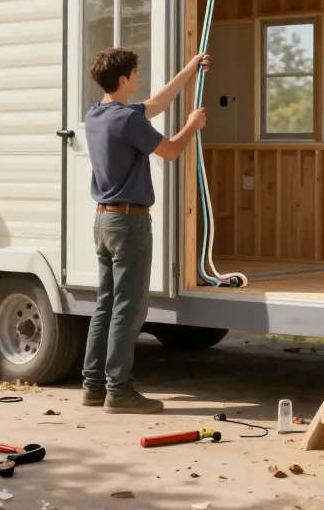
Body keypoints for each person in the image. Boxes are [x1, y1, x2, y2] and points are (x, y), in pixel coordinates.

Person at [82, 48, 208, 414]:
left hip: (104, 222)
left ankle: (93, 386)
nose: (139, 77)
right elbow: (169, 151)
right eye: (135, 73)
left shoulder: (97, 115)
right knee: (129, 307)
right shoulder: (127, 121)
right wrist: (192, 126)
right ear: (123, 79)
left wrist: (190, 68)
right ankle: (119, 391)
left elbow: (156, 103)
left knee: (106, 304)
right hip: (130, 223)